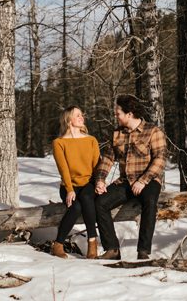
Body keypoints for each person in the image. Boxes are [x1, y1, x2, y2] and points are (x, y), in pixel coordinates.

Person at [93, 94, 167, 260]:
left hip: (148, 180)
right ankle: (112, 248)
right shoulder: (116, 134)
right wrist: (100, 180)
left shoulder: (153, 131)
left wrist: (143, 181)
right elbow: (107, 159)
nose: (115, 115)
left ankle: (143, 251)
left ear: (129, 113)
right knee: (100, 202)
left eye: (118, 112)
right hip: (125, 181)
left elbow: (160, 159)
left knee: (149, 202)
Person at [51, 106, 100, 259]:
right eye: (77, 115)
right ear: (68, 120)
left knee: (86, 198)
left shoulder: (91, 140)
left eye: (81, 114)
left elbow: (97, 165)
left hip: (88, 184)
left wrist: (98, 182)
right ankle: (58, 244)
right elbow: (63, 169)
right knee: (76, 207)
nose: (81, 117)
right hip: (68, 185)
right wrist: (70, 189)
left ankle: (93, 243)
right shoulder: (59, 143)